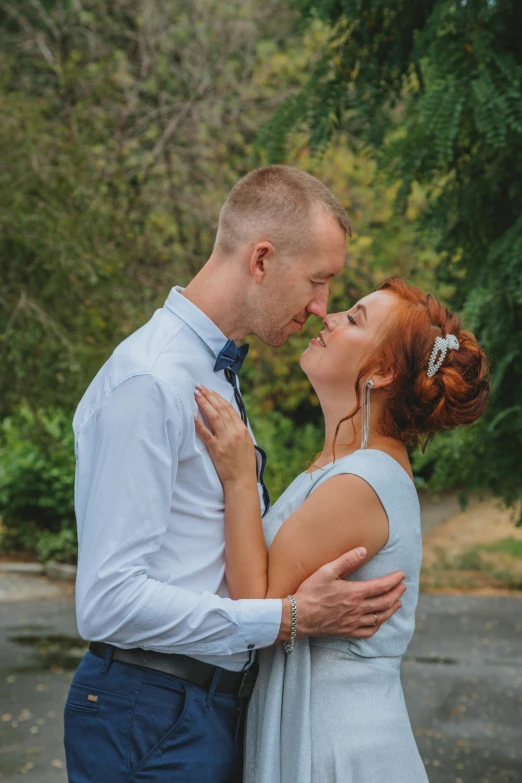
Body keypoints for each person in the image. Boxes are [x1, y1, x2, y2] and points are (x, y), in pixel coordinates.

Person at [63, 166, 407, 783]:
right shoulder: (152, 379)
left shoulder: (211, 368)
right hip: (151, 710)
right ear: (262, 259)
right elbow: (108, 602)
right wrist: (286, 619)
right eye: (318, 281)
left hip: (196, 708)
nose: (320, 306)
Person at [194, 276, 489, 782]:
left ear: (383, 372)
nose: (326, 317)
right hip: (319, 730)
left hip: (335, 748)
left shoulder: (362, 480)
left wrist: (241, 479)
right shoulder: (346, 466)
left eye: (353, 318)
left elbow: (256, 600)